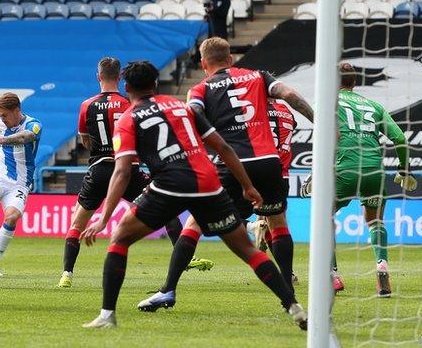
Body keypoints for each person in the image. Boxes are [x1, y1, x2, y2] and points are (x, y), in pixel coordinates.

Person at [80, 61, 307, 330]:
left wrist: (104, 217)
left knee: (120, 237)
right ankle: (294, 306)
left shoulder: (129, 119)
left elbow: (122, 173)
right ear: (155, 83)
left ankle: (108, 315)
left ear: (126, 86)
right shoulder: (182, 108)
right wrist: (247, 185)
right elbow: (222, 146)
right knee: (247, 249)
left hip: (169, 186)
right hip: (208, 182)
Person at [139, 37, 315, 310]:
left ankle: (168, 290)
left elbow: (192, 115)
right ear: (230, 58)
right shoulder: (259, 76)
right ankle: (288, 292)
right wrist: (320, 122)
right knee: (277, 222)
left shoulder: (199, 89)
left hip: (232, 163)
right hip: (268, 162)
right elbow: (290, 96)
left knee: (195, 223)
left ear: (203, 63)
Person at [57, 57, 213, 288]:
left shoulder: (86, 105)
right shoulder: (128, 104)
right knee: (166, 211)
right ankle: (186, 258)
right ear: (120, 77)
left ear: (98, 76)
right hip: (128, 168)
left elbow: (85, 140)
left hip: (99, 168)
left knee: (77, 223)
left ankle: (67, 274)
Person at [303, 63, 417, 298]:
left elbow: (324, 140)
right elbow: (400, 138)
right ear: (354, 82)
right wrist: (404, 170)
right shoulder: (374, 105)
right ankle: (382, 265)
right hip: (374, 171)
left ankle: (332, 275)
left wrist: (316, 172)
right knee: (374, 220)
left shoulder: (326, 102)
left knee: (323, 217)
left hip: (342, 170)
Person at [0, 92, 42, 277]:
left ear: (16, 110)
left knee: (11, 218)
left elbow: (25, 137)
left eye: (4, 115)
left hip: (20, 182)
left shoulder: (33, 125)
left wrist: (1, 140)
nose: (1, 119)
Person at [246, 98, 299, 285]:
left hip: (257, 167)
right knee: (278, 223)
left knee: (224, 212)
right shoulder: (285, 109)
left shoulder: (255, 108)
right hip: (282, 173)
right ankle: (288, 274)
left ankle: (252, 227)